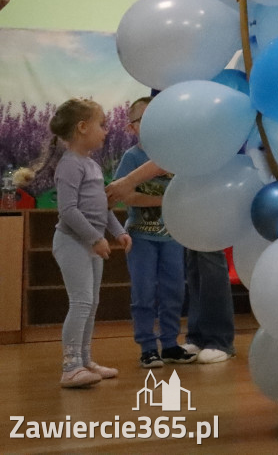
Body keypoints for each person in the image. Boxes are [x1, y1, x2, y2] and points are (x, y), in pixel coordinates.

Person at [19, 98, 133, 388]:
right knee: (81, 302)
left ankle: (84, 361)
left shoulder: (90, 164)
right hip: (72, 242)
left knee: (91, 303)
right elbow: (68, 211)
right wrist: (95, 238)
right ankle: (70, 367)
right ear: (83, 128)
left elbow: (101, 208)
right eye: (102, 125)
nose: (106, 131)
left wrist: (118, 232)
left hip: (89, 244)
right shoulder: (70, 165)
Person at [107, 161, 236, 364]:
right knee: (195, 265)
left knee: (209, 261)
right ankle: (198, 336)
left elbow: (169, 159)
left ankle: (219, 340)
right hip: (180, 213)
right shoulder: (134, 155)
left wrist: (129, 182)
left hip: (207, 192)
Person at [114, 97, 195, 368]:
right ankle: (148, 347)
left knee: (174, 291)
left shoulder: (177, 156)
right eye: (144, 121)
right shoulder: (133, 157)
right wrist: (163, 201)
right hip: (140, 237)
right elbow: (125, 194)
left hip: (172, 237)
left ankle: (170, 344)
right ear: (132, 128)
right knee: (144, 292)